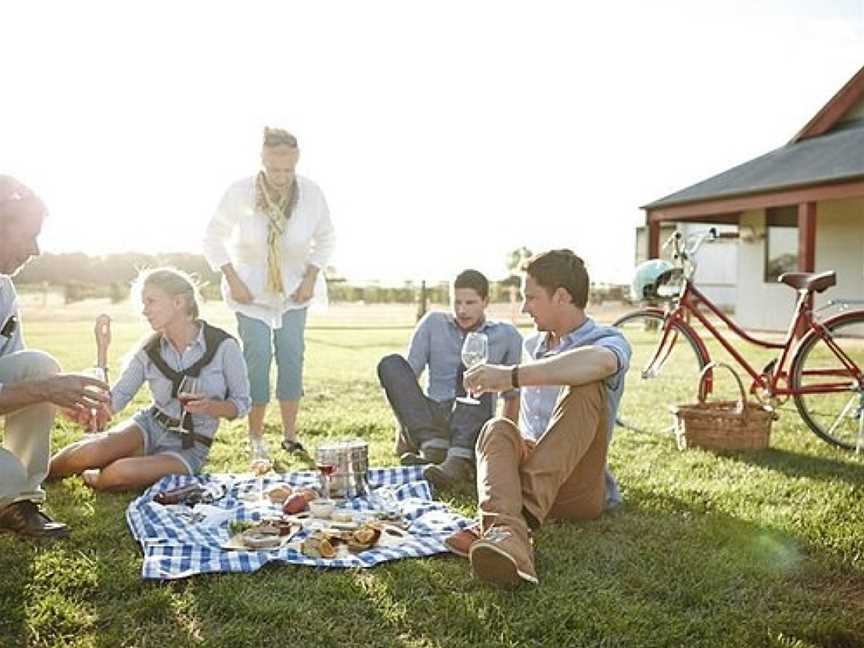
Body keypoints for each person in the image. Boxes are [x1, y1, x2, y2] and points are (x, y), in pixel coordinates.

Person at [445, 249, 631, 587]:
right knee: (497, 428)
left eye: (531, 297)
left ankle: (506, 525)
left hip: (578, 485)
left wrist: (511, 375)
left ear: (561, 297)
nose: (525, 307)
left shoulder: (608, 340)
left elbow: (601, 364)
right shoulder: (532, 345)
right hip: (529, 469)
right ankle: (508, 535)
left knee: (586, 387)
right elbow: (515, 422)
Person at [49, 268, 252, 490]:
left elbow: (242, 404)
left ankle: (101, 472)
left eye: (151, 301)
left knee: (118, 473)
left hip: (189, 447)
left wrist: (211, 407)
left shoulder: (224, 346)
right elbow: (116, 400)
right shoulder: (150, 349)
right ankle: (36, 476)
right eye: (143, 303)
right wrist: (102, 351)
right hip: (148, 426)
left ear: (179, 302)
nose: (144, 311)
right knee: (89, 453)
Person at [203, 127, 335, 462]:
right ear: (262, 161)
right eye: (274, 169)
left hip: (294, 290)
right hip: (250, 293)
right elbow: (213, 237)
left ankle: (290, 436)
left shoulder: (311, 193)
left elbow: (327, 237)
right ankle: (256, 437)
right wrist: (231, 277)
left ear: (296, 162)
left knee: (292, 357)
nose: (281, 177)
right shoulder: (239, 192)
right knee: (257, 358)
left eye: (288, 170)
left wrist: (311, 276)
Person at [0, 176, 110, 539]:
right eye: (28, 235)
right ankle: (10, 490)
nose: (35, 250)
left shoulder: (4, 286)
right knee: (8, 475)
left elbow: (20, 368)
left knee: (41, 364)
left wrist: (58, 395)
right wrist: (44, 389)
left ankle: (18, 502)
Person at [377, 270, 523, 490]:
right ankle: (434, 449)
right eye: (457, 302)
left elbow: (511, 397)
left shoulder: (508, 335)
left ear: (486, 301)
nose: (462, 310)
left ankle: (458, 458)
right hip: (433, 416)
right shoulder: (432, 323)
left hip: (473, 416)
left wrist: (504, 448)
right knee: (391, 364)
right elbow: (408, 381)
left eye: (470, 302)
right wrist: (404, 436)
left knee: (473, 368)